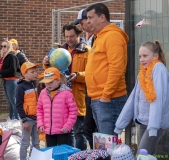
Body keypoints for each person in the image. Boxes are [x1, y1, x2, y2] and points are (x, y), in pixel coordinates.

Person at [114, 41, 169, 154]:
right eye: (140, 56)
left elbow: (158, 100)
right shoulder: (143, 72)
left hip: (155, 123)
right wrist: (120, 124)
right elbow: (133, 99)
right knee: (147, 155)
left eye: (145, 56)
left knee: (141, 155)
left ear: (155, 56)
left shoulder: (159, 69)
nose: (141, 59)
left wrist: (153, 126)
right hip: (144, 122)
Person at [43, 23, 89, 150]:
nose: (69, 39)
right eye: (67, 36)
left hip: (78, 97)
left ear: (79, 35)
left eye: (72, 36)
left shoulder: (87, 51)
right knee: (65, 133)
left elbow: (93, 73)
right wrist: (46, 65)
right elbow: (51, 74)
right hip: (60, 100)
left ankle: (80, 156)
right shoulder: (59, 51)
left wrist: (78, 76)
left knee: (79, 132)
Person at [85, 3, 129, 135]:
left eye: (90, 17)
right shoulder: (100, 36)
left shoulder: (112, 36)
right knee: (104, 143)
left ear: (102, 17)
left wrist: (106, 95)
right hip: (99, 98)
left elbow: (116, 68)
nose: (88, 21)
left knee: (108, 144)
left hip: (108, 100)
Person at [72, 8, 97, 149]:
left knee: (86, 130)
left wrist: (79, 75)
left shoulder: (87, 47)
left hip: (93, 94)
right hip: (88, 93)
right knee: (86, 130)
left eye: (81, 23)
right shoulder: (93, 38)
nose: (81, 26)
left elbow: (91, 70)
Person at [37, 67, 77, 147]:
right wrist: (40, 124)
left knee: (63, 153)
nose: (48, 85)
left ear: (58, 80)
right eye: (46, 82)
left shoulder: (67, 93)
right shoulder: (43, 93)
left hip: (63, 131)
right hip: (49, 131)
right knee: (51, 152)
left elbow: (73, 111)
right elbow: (39, 109)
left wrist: (67, 126)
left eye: (51, 82)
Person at [16, 61, 39, 160]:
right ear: (24, 74)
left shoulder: (37, 84)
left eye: (35, 71)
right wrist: (24, 120)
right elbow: (18, 105)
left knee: (36, 143)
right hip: (28, 120)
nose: (35, 74)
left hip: (38, 118)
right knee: (25, 142)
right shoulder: (21, 87)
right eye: (32, 72)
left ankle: (35, 158)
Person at [0, 39, 21, 120]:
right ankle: (12, 117)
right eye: (1, 46)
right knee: (10, 101)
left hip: (12, 80)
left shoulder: (11, 56)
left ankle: (16, 118)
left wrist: (1, 72)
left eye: (5, 46)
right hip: (7, 80)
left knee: (13, 100)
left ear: (9, 47)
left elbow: (12, 70)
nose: (3, 48)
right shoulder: (5, 57)